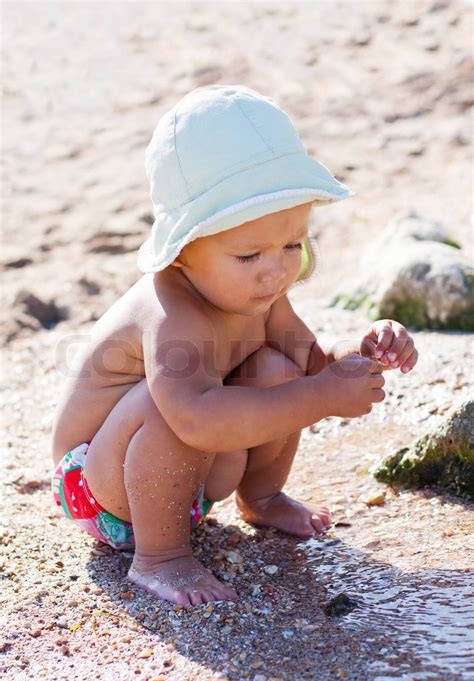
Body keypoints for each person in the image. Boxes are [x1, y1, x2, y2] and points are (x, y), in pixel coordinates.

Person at [51, 85, 418, 607]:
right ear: (180, 254)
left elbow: (310, 364)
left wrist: (357, 354)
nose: (276, 269)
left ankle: (262, 498)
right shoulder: (169, 313)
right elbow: (195, 420)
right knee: (168, 402)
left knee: (276, 366)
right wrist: (324, 397)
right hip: (106, 490)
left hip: (189, 482)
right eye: (249, 255)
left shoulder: (261, 294)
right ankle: (160, 558)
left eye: (292, 244)